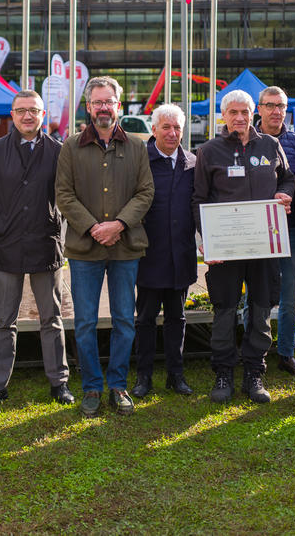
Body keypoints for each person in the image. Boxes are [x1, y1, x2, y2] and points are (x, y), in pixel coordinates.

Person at [56, 77, 154, 417]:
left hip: (126, 246)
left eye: (109, 101)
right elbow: (63, 195)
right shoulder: (70, 147)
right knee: (84, 322)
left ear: (119, 105)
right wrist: (94, 228)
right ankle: (92, 388)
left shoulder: (138, 146)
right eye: (97, 102)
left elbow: (145, 193)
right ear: (88, 106)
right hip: (86, 248)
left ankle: (117, 385)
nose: (103, 107)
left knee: (125, 320)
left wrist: (119, 224)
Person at [192, 90, 295, 404]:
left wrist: (284, 194)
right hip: (226, 249)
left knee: (261, 310)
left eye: (245, 112)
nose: (239, 118)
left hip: (264, 246)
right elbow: (198, 199)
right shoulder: (209, 151)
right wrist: (207, 240)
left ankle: (254, 372)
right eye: (233, 112)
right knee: (224, 309)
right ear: (223, 115)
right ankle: (223, 372)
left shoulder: (270, 144)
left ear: (254, 113)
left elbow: (288, 179)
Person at [0, 91, 74, 411]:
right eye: (21, 111)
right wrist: (3, 224)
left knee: (52, 318)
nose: (27, 116)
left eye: (33, 110)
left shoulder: (59, 152)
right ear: (12, 115)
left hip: (46, 244)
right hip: (7, 245)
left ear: (43, 114)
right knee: (4, 320)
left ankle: (59, 382)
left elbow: (66, 196)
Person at [131, 104, 197, 399]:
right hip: (148, 256)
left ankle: (176, 374)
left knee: (177, 317)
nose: (172, 133)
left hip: (180, 255)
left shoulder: (193, 163)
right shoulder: (139, 162)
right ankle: (144, 376)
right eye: (166, 127)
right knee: (144, 319)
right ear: (154, 129)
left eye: (177, 128)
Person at [256, 85, 295, 378]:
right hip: (256, 232)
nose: (276, 111)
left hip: (289, 230)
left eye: (281, 106)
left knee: (290, 297)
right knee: (254, 296)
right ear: (259, 108)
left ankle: (286, 354)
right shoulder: (246, 139)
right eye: (270, 105)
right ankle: (253, 354)